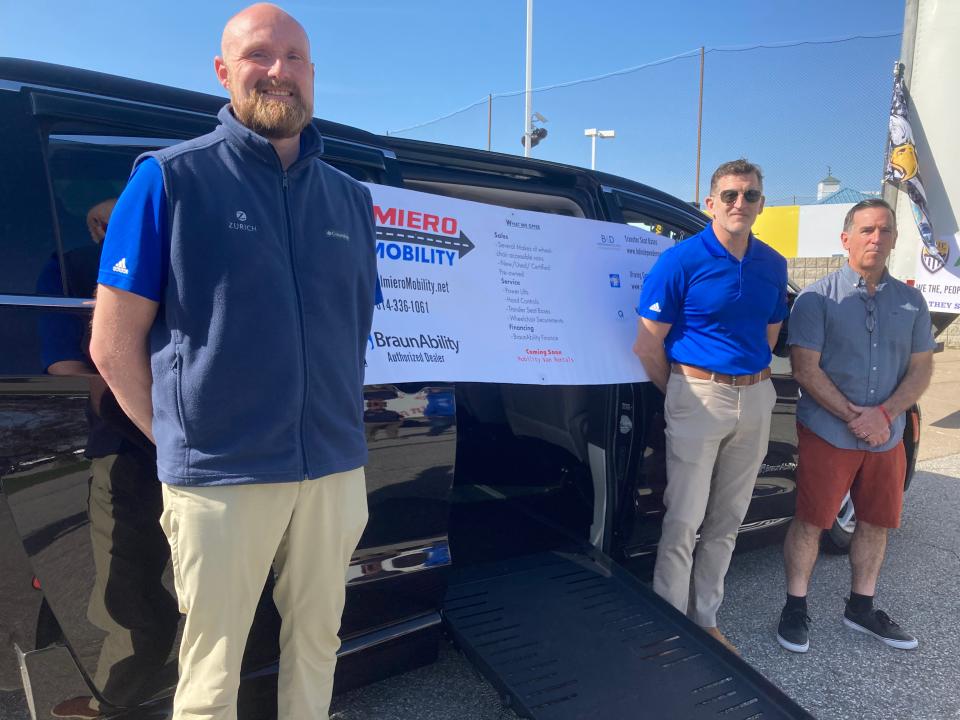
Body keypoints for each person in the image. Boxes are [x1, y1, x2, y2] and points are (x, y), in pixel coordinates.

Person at [89, 4, 381, 718]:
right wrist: (184, 439)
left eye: (295, 58)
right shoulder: (168, 180)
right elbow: (112, 344)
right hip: (222, 476)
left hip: (335, 468)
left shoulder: (352, 199)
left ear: (314, 76)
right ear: (224, 72)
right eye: (259, 56)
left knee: (318, 642)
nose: (279, 72)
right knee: (213, 666)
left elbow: (355, 327)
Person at [633, 159, 788, 653]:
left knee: (728, 520)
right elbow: (646, 346)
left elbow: (768, 334)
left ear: (762, 203)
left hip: (756, 396)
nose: (739, 204)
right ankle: (668, 626)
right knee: (684, 519)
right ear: (710, 203)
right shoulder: (680, 261)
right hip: (698, 396)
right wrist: (680, 392)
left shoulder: (773, 264)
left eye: (750, 195)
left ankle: (704, 620)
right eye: (729, 195)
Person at [777, 198, 934, 653]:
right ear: (845, 238)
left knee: (875, 522)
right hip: (828, 431)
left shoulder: (911, 302)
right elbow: (805, 368)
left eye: (884, 231)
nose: (875, 238)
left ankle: (861, 608)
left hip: (886, 437)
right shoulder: (815, 299)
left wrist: (883, 416)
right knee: (811, 521)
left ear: (894, 239)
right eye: (865, 230)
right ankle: (795, 606)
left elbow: (920, 371)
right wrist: (855, 417)